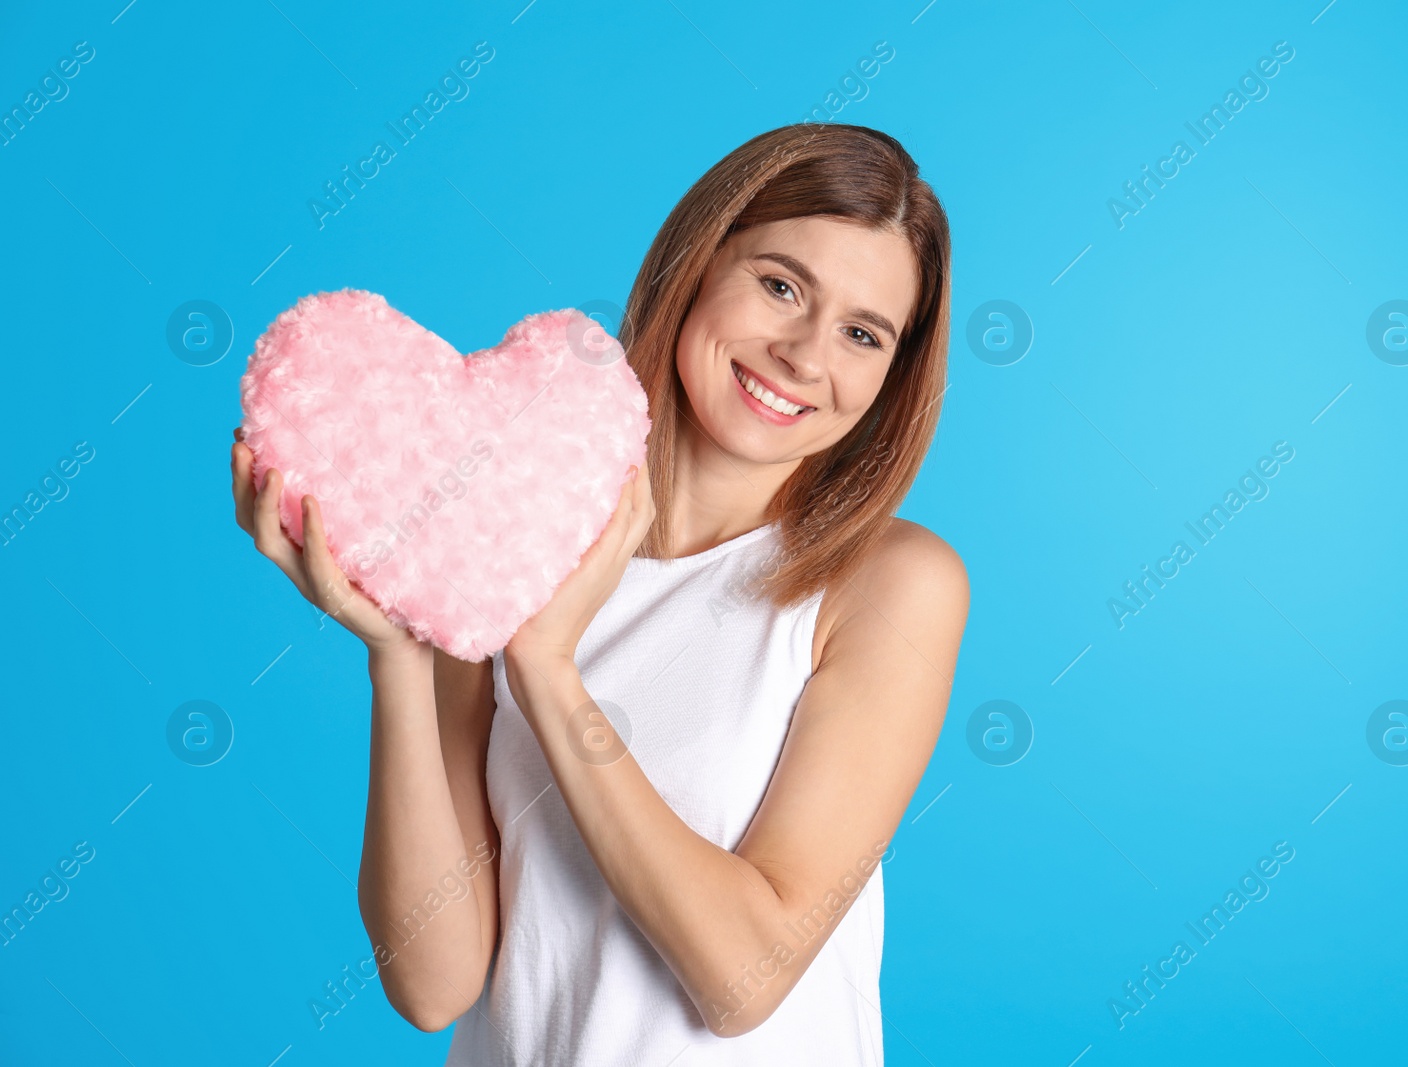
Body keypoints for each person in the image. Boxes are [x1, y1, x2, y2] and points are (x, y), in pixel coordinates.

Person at [230, 122, 968, 1065]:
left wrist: (547, 667)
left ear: (892, 375)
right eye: (781, 285)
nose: (805, 355)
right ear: (695, 267)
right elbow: (435, 982)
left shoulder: (890, 583)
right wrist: (401, 653)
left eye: (863, 333)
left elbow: (743, 980)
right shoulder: (505, 522)